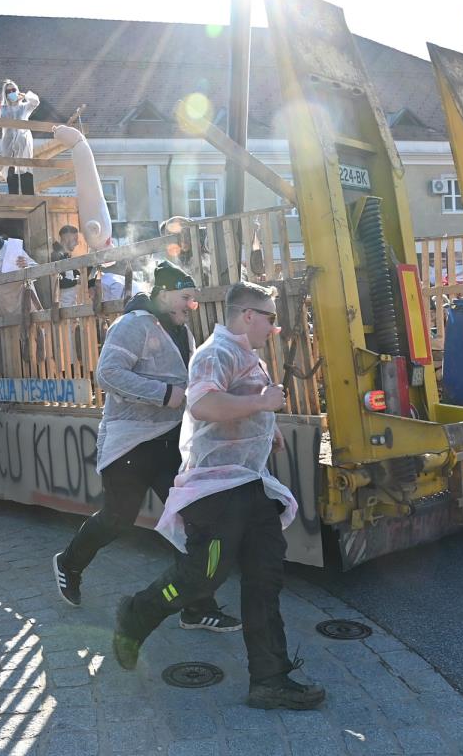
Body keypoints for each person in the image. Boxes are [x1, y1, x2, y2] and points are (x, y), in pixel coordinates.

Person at [112, 281, 325, 711]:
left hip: (249, 483)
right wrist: (262, 404)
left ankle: (270, 679)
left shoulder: (245, 355)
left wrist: (266, 428)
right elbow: (204, 405)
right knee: (201, 577)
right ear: (248, 315)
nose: (274, 328)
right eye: (270, 318)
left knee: (265, 578)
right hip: (215, 491)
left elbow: (236, 407)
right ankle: (137, 614)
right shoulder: (216, 352)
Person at [52, 261, 241, 632]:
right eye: (186, 297)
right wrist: (165, 394)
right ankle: (69, 563)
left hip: (171, 442)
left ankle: (196, 606)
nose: (191, 305)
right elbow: (108, 374)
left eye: (193, 299)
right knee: (118, 518)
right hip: (131, 444)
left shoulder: (181, 330)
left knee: (192, 521)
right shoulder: (133, 325)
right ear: (163, 294)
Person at [0, 79, 40, 195]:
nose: (11, 93)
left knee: (26, 174)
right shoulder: (3, 109)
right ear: (5, 94)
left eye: (13, 90)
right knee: (11, 177)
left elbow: (35, 102)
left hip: (23, 145)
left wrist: (25, 96)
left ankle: (29, 202)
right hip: (9, 146)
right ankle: (13, 202)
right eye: (8, 91)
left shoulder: (24, 107)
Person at [52, 225, 82, 307]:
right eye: (75, 239)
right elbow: (59, 282)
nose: (77, 243)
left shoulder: (66, 256)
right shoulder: (56, 255)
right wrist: (76, 281)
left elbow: (75, 273)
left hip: (71, 303)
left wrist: (77, 275)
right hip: (62, 305)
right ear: (66, 238)